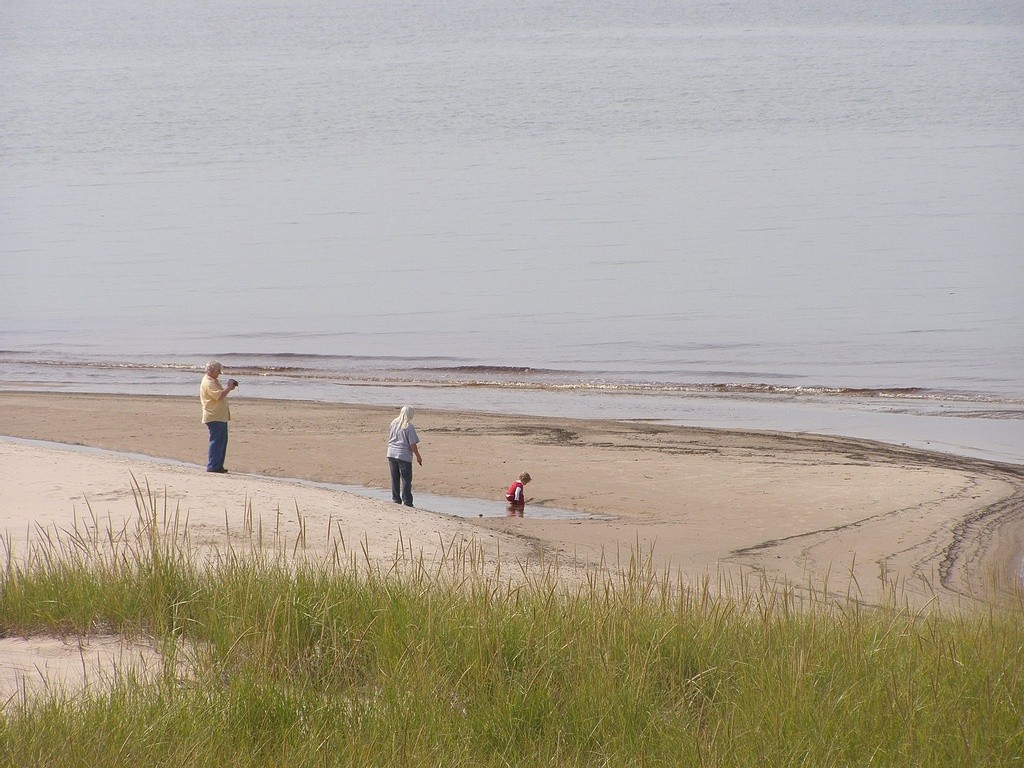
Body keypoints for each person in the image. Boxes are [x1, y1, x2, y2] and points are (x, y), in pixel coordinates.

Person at [199, 360, 237, 473]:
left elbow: (220, 393)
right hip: (214, 416)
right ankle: (213, 466)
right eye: (218, 371)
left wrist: (228, 388)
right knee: (217, 441)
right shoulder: (208, 382)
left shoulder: (212, 380)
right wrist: (229, 388)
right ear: (212, 371)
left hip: (219, 415)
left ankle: (218, 465)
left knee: (221, 441)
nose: (219, 373)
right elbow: (219, 395)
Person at [386, 405, 422, 507]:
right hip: (403, 455)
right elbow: (412, 444)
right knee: (406, 479)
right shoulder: (408, 426)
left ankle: (396, 499)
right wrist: (418, 456)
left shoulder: (394, 423)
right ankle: (407, 501)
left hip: (391, 453)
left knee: (395, 478)